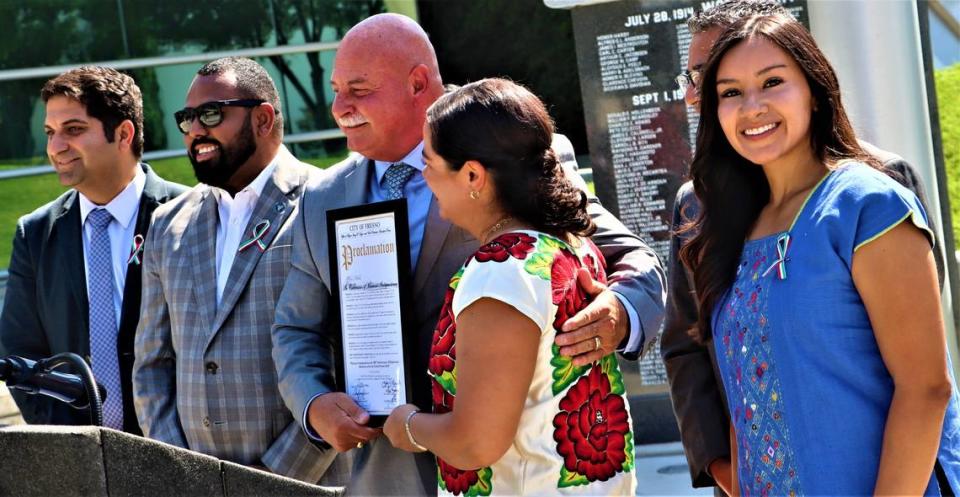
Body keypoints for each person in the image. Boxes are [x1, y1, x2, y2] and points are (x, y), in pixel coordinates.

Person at [271, 13, 666, 496]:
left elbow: (633, 258)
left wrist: (619, 313)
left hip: (513, 467)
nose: (339, 107)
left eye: (358, 89)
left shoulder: (515, 146)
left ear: (418, 83)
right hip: (387, 474)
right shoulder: (322, 196)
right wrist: (314, 404)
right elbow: (294, 326)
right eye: (335, 89)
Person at [660, 2, 946, 494]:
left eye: (773, 82)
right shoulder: (734, 223)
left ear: (814, 89)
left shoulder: (867, 203)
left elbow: (926, 388)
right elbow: (740, 383)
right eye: (730, 92)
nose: (752, 107)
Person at [380, 77, 638, 496]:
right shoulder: (573, 244)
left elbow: (475, 442)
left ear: (472, 175)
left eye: (428, 161)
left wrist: (407, 425)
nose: (423, 176)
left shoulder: (500, 271)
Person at [132, 57, 329, 482]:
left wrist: (270, 482)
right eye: (187, 118)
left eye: (211, 113)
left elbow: (348, 362)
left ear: (262, 118)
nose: (195, 130)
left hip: (307, 484)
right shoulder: (167, 224)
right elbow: (152, 366)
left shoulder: (327, 203)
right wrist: (183, 474)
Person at [0, 67, 186, 433]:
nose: (55, 148)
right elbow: (20, 351)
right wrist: (74, 446)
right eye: (50, 133)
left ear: (123, 133)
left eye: (73, 130)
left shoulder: (189, 215)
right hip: (82, 464)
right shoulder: (36, 234)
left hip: (184, 456)